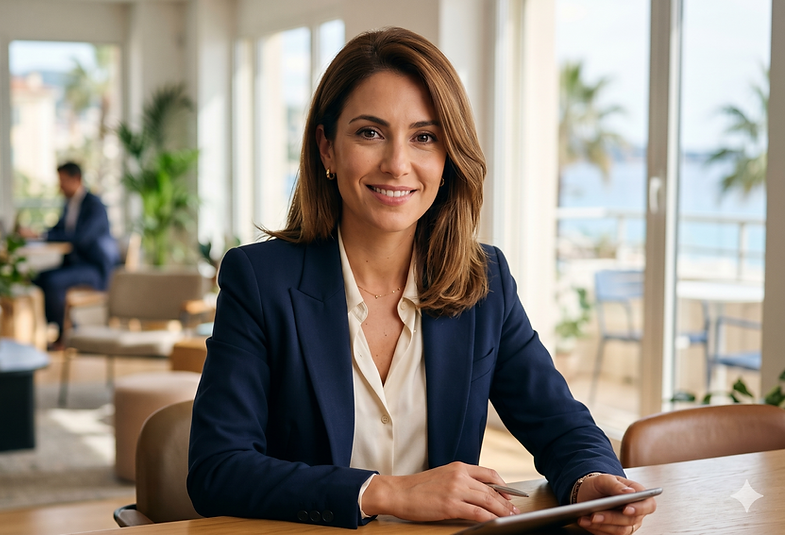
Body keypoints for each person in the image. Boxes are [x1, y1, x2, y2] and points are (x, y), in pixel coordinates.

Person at [187, 27, 656, 533]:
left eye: (424, 137)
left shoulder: (484, 281)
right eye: (369, 133)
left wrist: (591, 480)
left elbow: (562, 424)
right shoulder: (259, 280)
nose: (397, 164)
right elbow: (218, 468)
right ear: (326, 149)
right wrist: (385, 492)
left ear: (448, 155)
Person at [29, 162, 118, 348]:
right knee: (39, 278)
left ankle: (64, 335)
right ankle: (68, 329)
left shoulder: (95, 206)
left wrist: (44, 236)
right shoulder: (69, 204)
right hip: (75, 265)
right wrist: (37, 234)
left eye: (62, 181)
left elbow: (80, 238)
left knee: (54, 282)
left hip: (94, 268)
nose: (59, 186)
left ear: (76, 179)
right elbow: (59, 230)